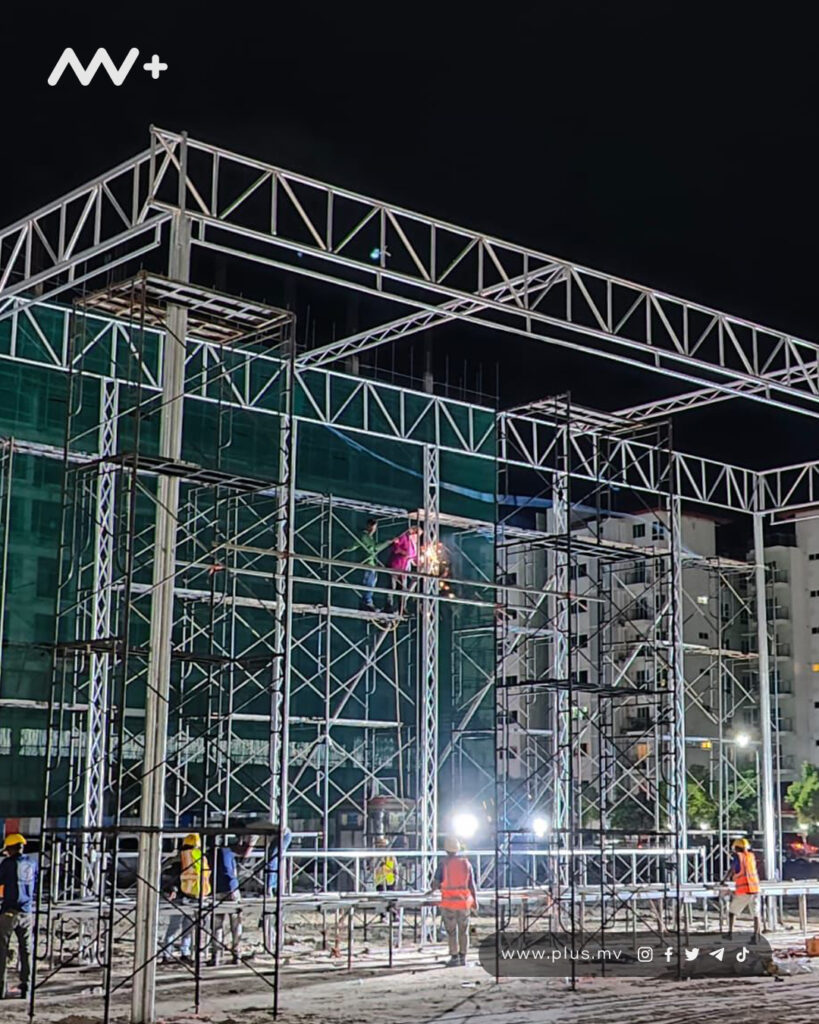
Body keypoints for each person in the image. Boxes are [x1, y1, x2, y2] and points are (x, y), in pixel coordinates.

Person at [162, 833, 211, 964]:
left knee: (174, 927)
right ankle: (184, 953)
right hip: (193, 896)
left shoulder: (179, 858)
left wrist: (171, 890)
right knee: (187, 928)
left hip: (180, 897)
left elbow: (170, 876)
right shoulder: (200, 858)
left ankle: (167, 954)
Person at [430, 836, 478, 967]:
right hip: (464, 903)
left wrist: (432, 889)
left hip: (449, 903)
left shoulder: (443, 864)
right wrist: (475, 901)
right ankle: (463, 957)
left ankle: (454, 957)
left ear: (446, 850)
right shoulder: (466, 864)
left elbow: (435, 884)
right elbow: (472, 885)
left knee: (452, 932)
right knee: (464, 931)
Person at [0, 833, 37, 1000]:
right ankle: (27, 987)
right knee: (26, 950)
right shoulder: (32, 863)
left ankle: (1, 988)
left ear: (11, 848)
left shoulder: (8, 864)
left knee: (2, 950)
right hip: (27, 912)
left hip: (9, 912)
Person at [339, 519, 393, 611]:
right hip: (368, 563)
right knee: (369, 583)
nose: (373, 530)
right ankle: (367, 602)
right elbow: (375, 548)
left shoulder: (368, 537)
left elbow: (354, 545)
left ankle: (366, 602)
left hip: (371, 563)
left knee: (371, 583)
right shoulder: (365, 537)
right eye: (371, 527)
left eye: (374, 528)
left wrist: (347, 548)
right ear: (367, 526)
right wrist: (387, 542)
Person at [721, 837, 761, 943]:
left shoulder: (738, 857)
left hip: (744, 890)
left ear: (736, 848)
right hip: (755, 889)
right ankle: (756, 936)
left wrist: (723, 880)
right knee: (756, 914)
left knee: (732, 912)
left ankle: (730, 933)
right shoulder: (751, 856)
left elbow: (732, 870)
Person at [211, 839, 244, 966]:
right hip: (232, 888)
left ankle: (216, 955)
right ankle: (237, 953)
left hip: (217, 890)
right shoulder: (229, 852)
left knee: (217, 925)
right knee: (236, 923)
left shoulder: (210, 853)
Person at [262, 826, 292, 951]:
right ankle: (271, 886)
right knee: (272, 858)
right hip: (281, 833)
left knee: (272, 859)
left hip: (283, 833)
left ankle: (270, 886)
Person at [385, 526, 422, 615]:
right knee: (392, 587)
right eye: (417, 534)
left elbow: (413, 557)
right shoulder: (404, 538)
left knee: (403, 589)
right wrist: (404, 553)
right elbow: (396, 548)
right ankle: (389, 606)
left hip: (404, 569)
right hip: (395, 565)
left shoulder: (414, 544)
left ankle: (402, 608)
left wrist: (419, 561)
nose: (417, 537)